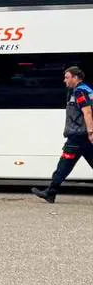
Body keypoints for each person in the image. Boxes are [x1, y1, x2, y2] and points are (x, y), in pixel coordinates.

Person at [33, 66, 93, 203]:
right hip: (82, 136)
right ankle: (50, 192)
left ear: (75, 78)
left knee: (64, 164)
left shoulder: (80, 91)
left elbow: (87, 112)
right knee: (65, 165)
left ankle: (50, 192)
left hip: (78, 136)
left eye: (67, 77)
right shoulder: (87, 90)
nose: (64, 80)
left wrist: (91, 132)